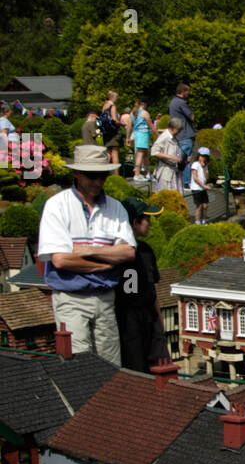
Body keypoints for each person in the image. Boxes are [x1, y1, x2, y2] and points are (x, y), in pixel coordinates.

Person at [36, 145, 136, 365]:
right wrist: (105, 263)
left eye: (103, 176)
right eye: (92, 176)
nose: (98, 182)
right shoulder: (57, 206)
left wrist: (87, 251)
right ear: (76, 173)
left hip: (105, 299)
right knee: (79, 367)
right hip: (71, 300)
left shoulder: (116, 207)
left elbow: (128, 252)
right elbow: (60, 260)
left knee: (110, 368)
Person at [115, 197, 169, 373]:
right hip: (128, 319)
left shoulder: (146, 250)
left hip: (149, 318)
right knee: (135, 368)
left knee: (160, 365)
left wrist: (160, 325)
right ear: (135, 221)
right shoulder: (116, 252)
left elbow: (152, 289)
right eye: (147, 219)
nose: (150, 223)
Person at [168, 82, 195, 189]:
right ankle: (186, 183)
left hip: (177, 134)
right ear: (183, 91)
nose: (188, 94)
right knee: (185, 160)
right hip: (185, 134)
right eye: (187, 91)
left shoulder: (172, 102)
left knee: (179, 158)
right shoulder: (181, 103)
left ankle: (180, 181)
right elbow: (191, 116)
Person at [151, 116, 185, 193]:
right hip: (165, 171)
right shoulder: (164, 137)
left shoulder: (173, 137)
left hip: (174, 170)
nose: (179, 132)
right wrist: (171, 157)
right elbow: (154, 151)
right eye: (178, 130)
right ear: (172, 128)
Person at [131, 100, 157, 181]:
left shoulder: (133, 113)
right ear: (144, 104)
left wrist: (128, 137)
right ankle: (137, 174)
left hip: (137, 134)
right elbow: (151, 125)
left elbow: (129, 125)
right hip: (143, 134)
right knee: (140, 154)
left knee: (146, 154)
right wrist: (158, 135)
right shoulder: (144, 113)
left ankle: (147, 173)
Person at [98, 92, 123, 167]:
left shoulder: (104, 106)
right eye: (116, 97)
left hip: (106, 132)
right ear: (112, 97)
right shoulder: (112, 106)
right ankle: (116, 174)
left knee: (108, 152)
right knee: (115, 152)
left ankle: (104, 172)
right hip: (114, 132)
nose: (117, 98)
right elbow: (114, 120)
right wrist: (122, 124)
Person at [190, 147, 211, 224]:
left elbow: (207, 177)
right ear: (198, 156)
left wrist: (204, 168)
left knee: (205, 205)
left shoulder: (205, 166)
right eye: (201, 156)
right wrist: (204, 186)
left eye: (204, 156)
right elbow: (195, 177)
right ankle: (197, 221)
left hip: (203, 189)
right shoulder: (195, 164)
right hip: (196, 188)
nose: (203, 158)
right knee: (199, 206)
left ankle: (204, 220)